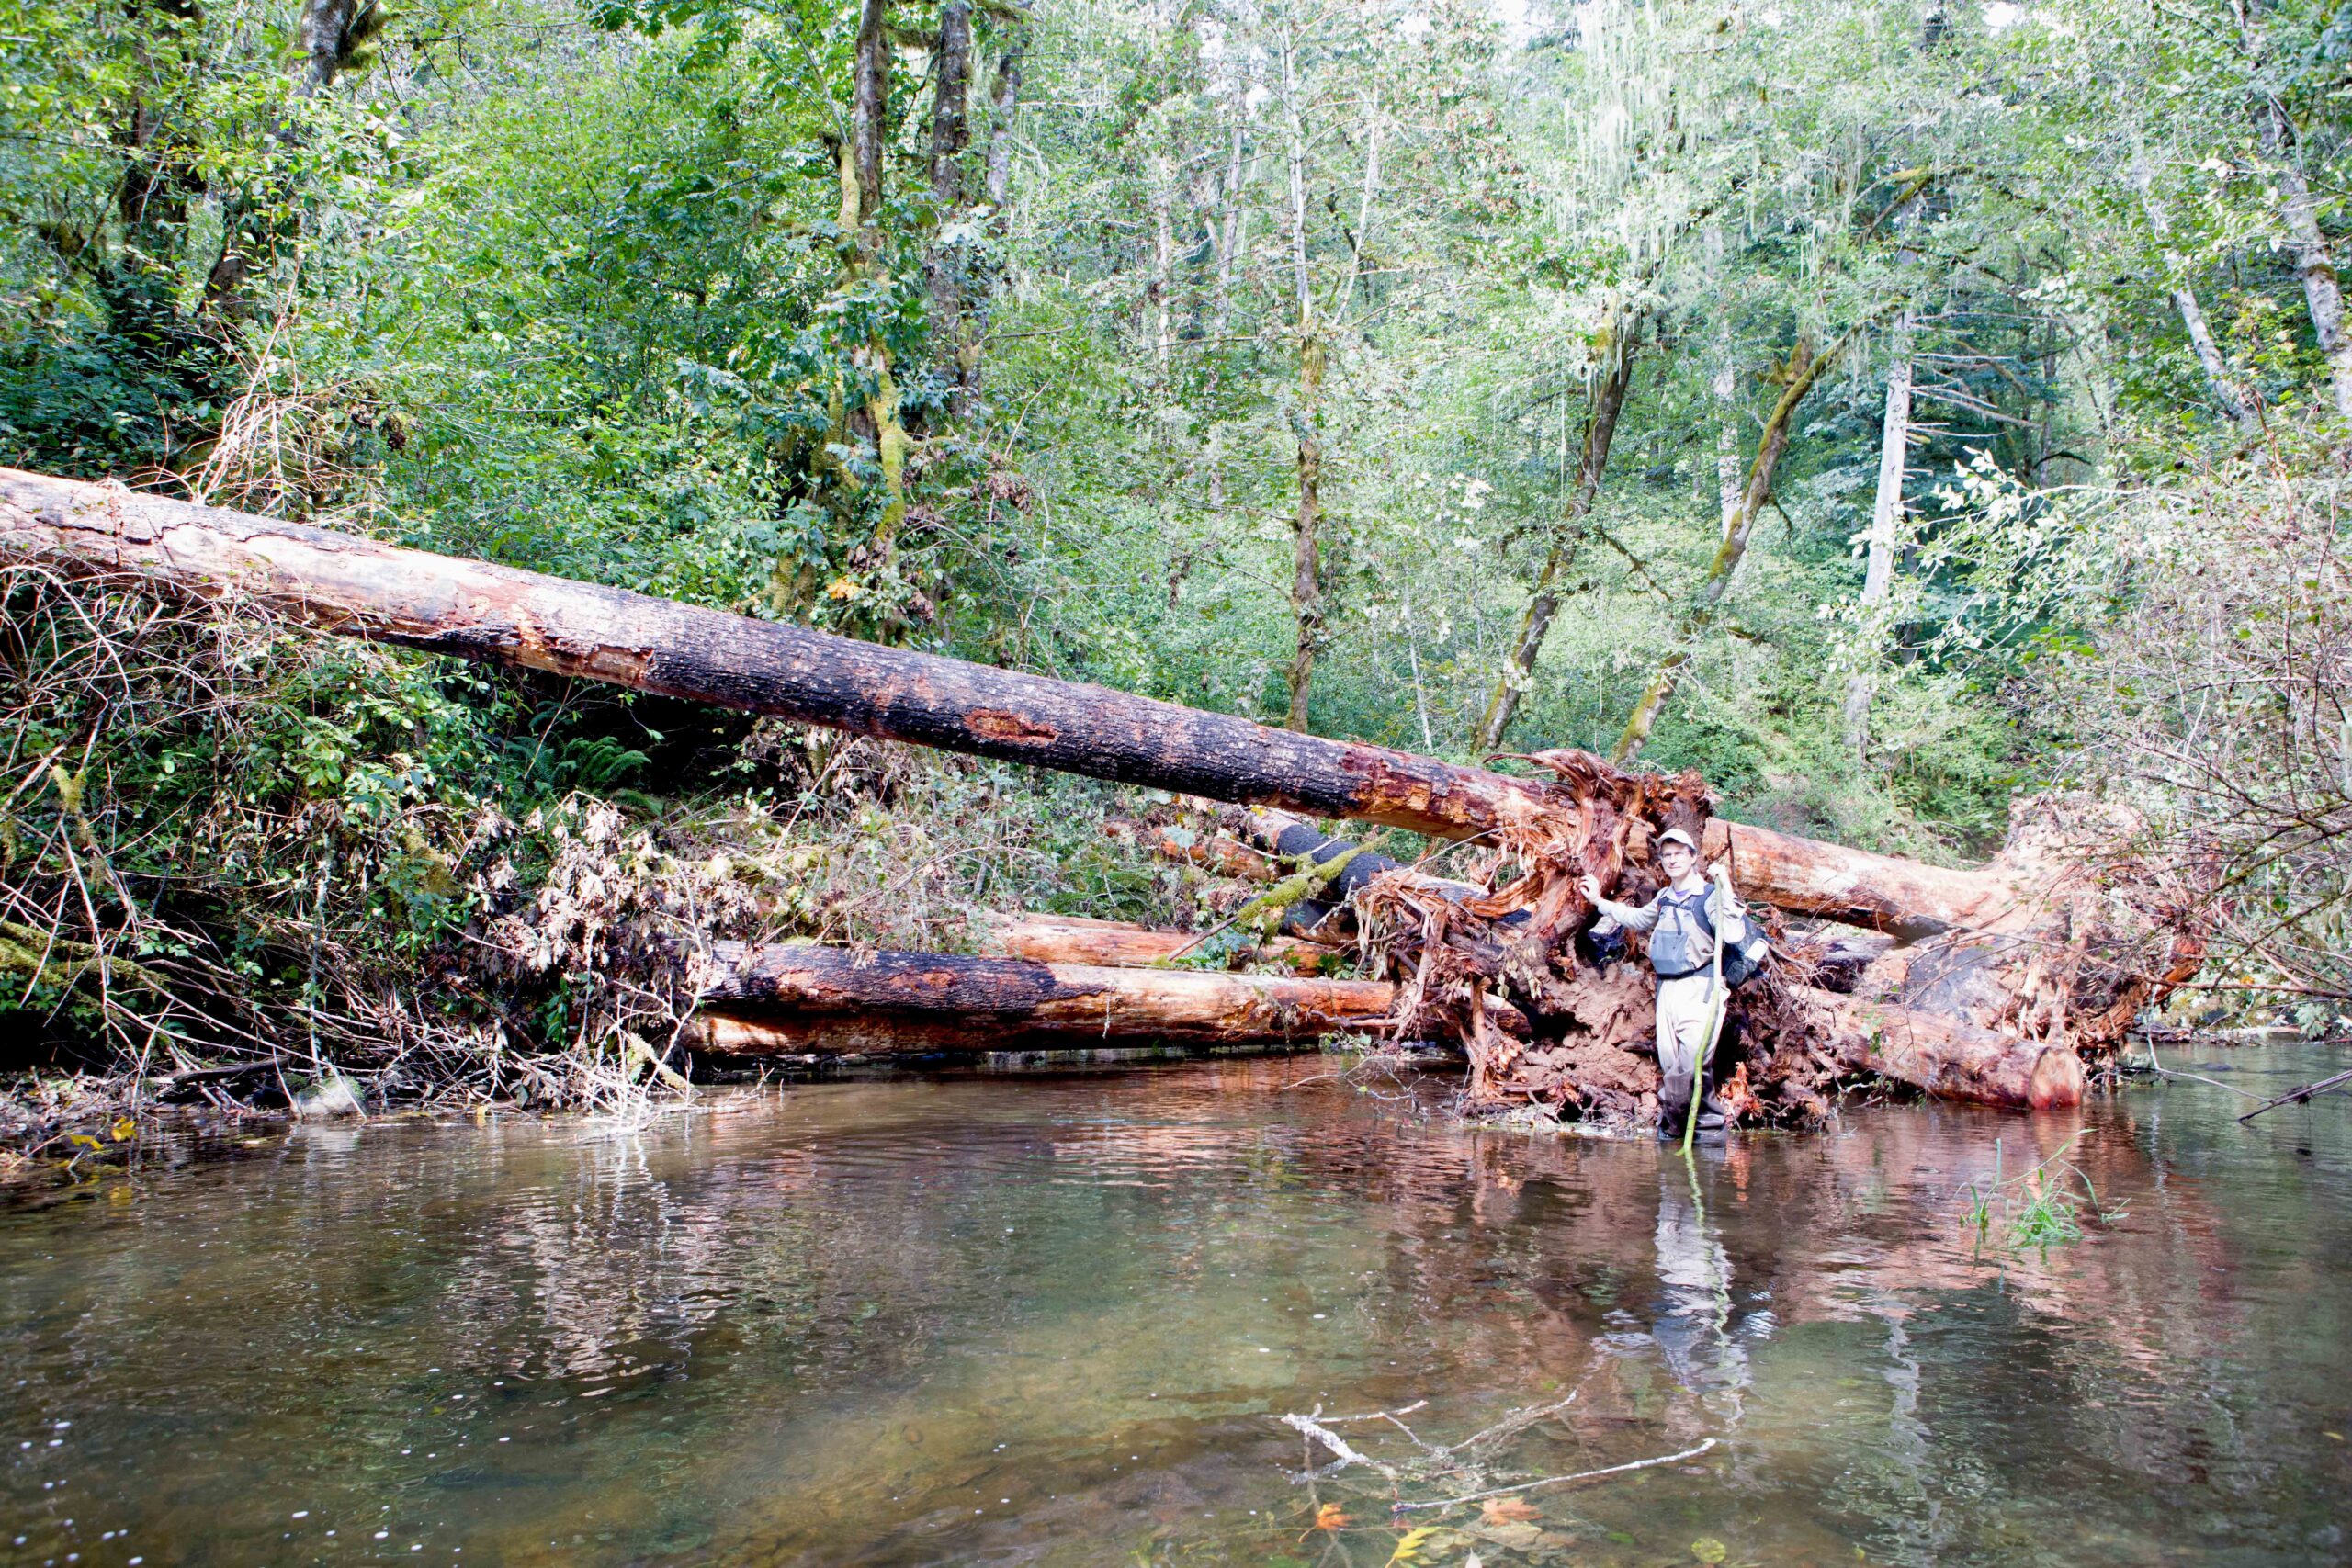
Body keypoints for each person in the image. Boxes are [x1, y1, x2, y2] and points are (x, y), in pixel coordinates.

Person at [1577, 828, 1747, 1143]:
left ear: (1693, 857)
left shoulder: (1710, 895)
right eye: (1666, 855)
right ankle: (1676, 1135)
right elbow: (1638, 919)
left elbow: (1734, 932)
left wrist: (1726, 887)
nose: (1672, 860)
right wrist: (1599, 901)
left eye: (1678, 853)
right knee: (1672, 1068)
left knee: (1691, 1066)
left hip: (1701, 988)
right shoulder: (1665, 897)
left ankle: (1705, 1133)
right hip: (1667, 990)